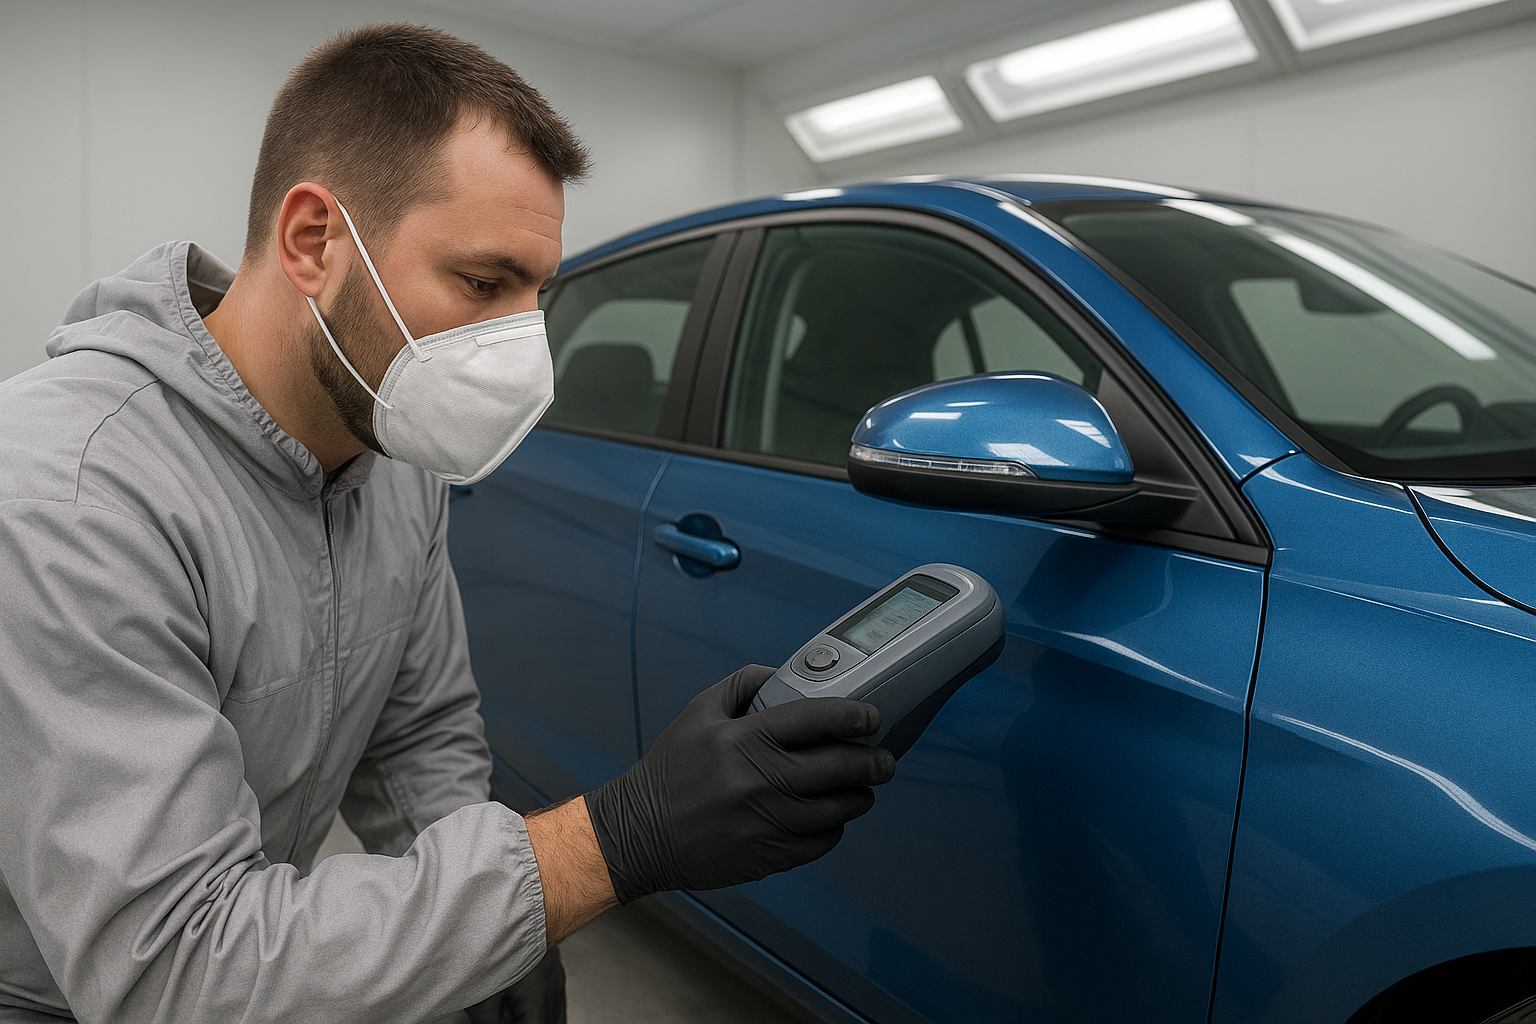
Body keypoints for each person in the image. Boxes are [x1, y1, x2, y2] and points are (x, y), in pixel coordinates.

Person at [0, 24, 895, 1024]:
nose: (521, 351)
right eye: (482, 283)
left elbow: (417, 738)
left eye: (536, 296)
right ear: (313, 242)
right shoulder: (69, 493)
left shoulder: (389, 453)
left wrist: (500, 938)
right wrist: (606, 844)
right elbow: (177, 967)